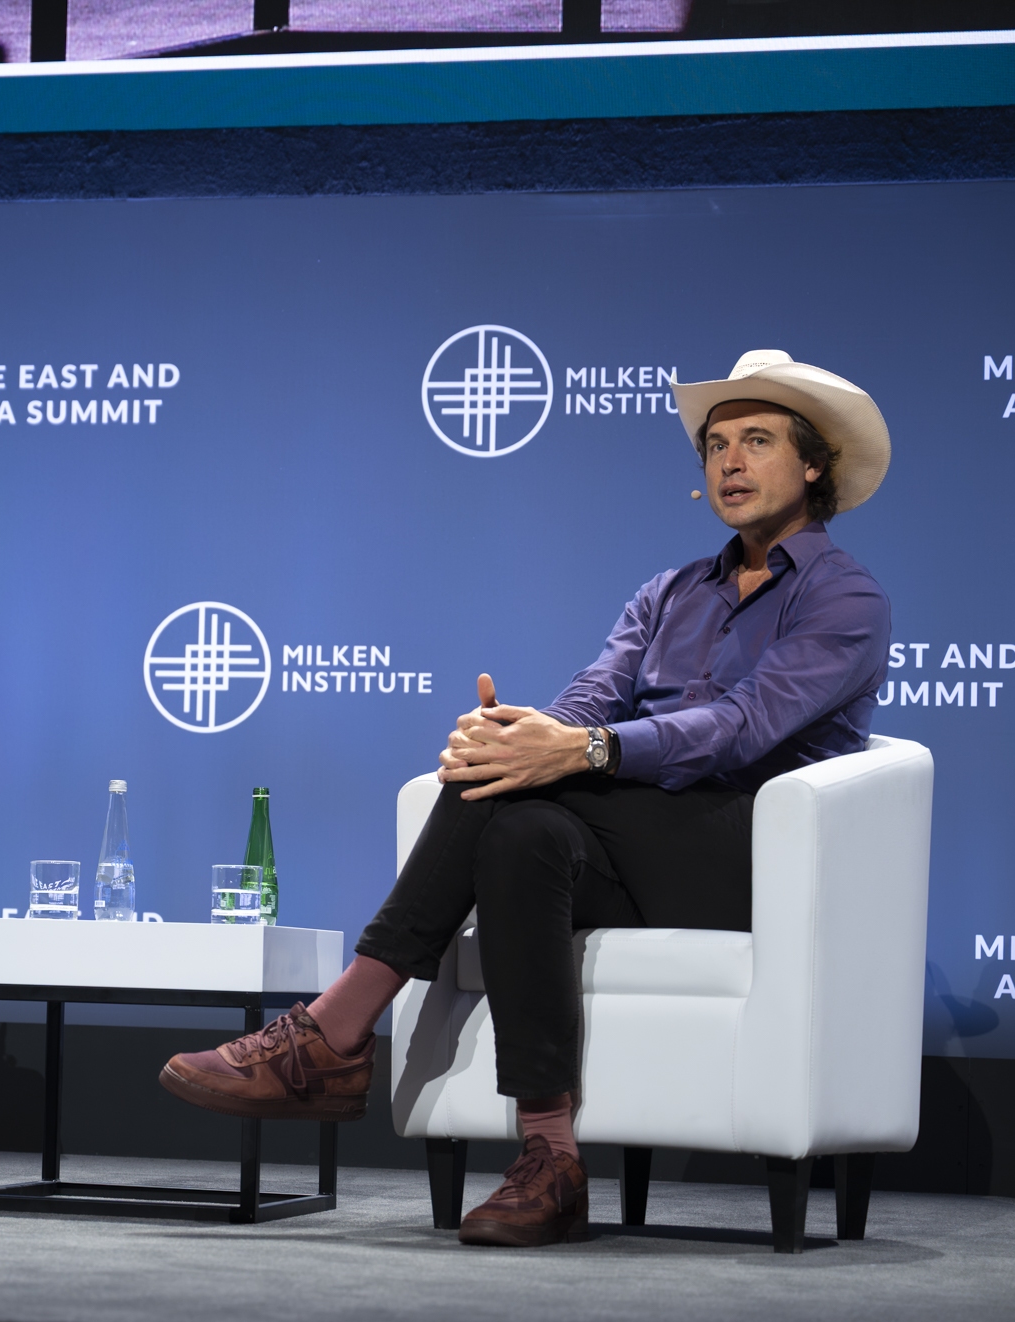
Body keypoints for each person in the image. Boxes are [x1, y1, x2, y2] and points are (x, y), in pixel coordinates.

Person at [160, 351, 892, 1246]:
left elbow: (744, 726)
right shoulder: (669, 594)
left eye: (758, 441)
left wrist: (583, 749)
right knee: (518, 824)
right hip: (626, 849)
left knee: (513, 786)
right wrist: (518, 735)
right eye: (715, 445)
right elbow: (591, 697)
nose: (729, 462)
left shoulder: (845, 596)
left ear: (813, 465)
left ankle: (334, 1031)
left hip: (744, 858)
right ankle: (551, 1159)